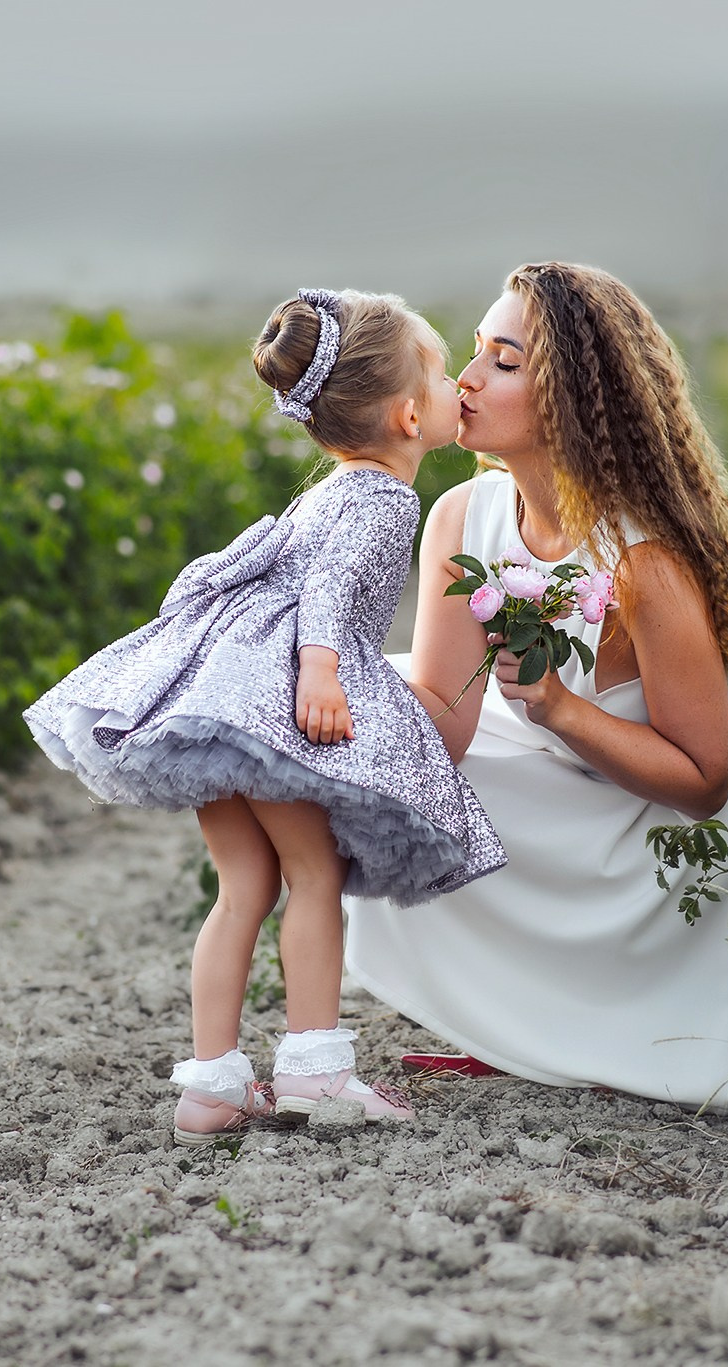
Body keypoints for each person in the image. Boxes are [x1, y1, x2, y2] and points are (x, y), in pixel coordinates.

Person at [25, 288, 504, 1145]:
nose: (454, 387)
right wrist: (321, 668)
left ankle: (210, 1084)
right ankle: (317, 1070)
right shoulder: (385, 499)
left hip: (221, 700)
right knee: (312, 878)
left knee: (241, 888)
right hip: (275, 705)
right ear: (406, 414)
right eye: (439, 372)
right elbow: (323, 589)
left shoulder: (325, 490)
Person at [344, 263, 728, 1118]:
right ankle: (518, 1028)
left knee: (483, 779)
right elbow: (443, 729)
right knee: (423, 786)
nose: (468, 380)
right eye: (474, 354)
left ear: (571, 400)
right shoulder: (459, 518)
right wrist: (325, 696)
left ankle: (613, 1029)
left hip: (691, 832)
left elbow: (706, 779)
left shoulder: (645, 563)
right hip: (574, 776)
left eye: (505, 361)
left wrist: (557, 704)